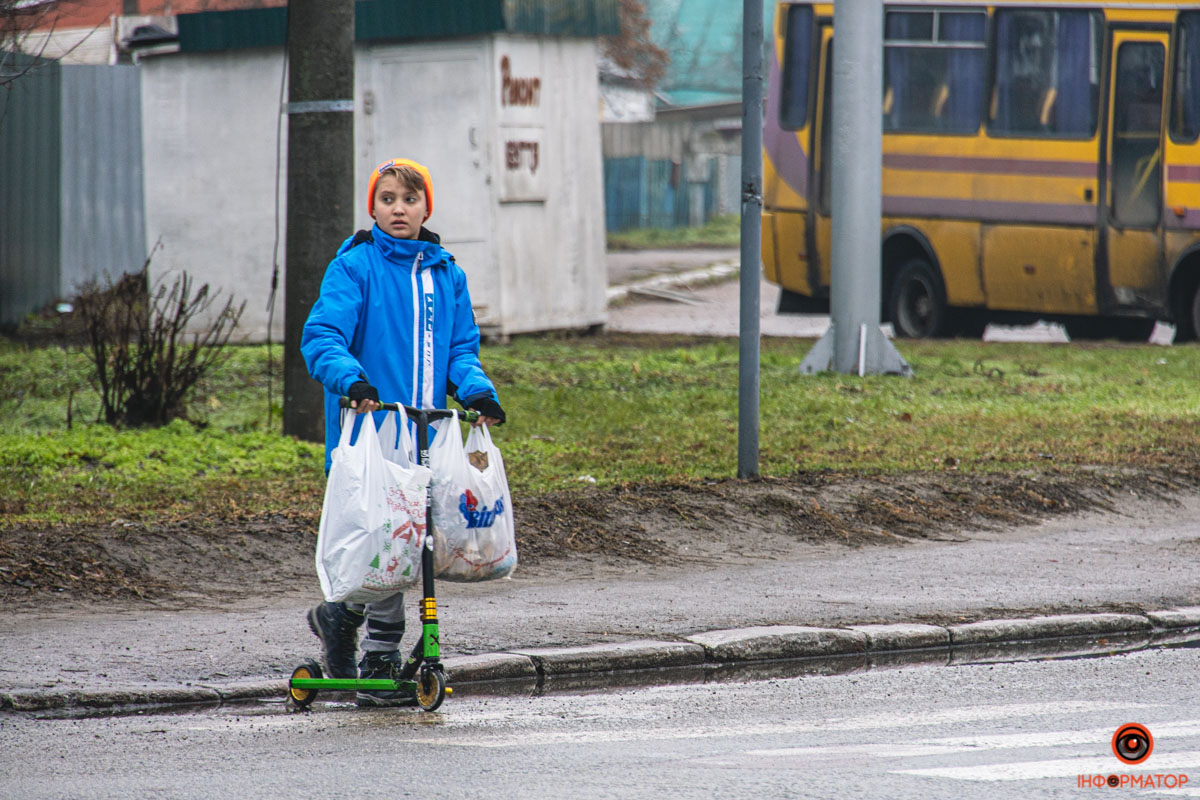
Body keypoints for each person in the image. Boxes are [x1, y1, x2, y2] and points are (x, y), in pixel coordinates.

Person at [300, 157, 505, 707]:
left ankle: (338, 618)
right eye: (387, 199)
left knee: (409, 547)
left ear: (425, 208)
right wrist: (352, 381)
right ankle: (382, 655)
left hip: (426, 435)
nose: (398, 208)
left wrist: (477, 391)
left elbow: (460, 349)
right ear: (373, 207)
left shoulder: (446, 273)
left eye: (409, 200)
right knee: (387, 545)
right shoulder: (356, 266)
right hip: (368, 431)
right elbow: (322, 335)